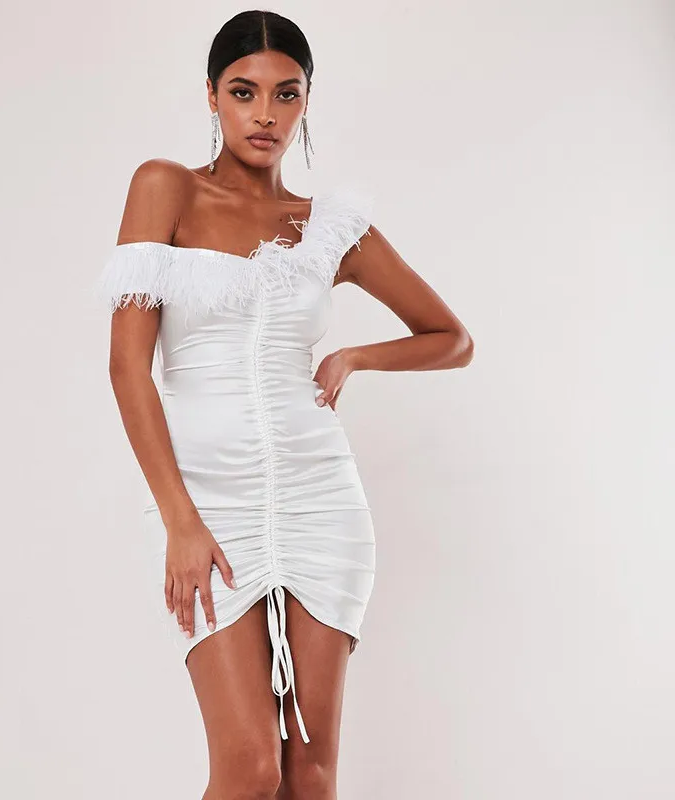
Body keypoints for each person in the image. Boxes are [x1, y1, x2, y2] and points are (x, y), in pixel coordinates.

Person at [96, 9, 473, 799]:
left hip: (321, 498)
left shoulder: (328, 229)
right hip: (207, 500)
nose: (265, 114)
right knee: (249, 768)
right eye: (244, 92)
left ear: (306, 101)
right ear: (211, 95)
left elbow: (452, 338)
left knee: (309, 774)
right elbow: (128, 368)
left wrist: (356, 356)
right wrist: (180, 521)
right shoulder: (164, 188)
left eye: (285, 93)